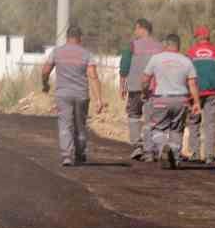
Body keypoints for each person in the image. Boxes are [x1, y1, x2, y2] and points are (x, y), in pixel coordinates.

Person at [40, 25, 105, 166]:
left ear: (67, 37)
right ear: (80, 38)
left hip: (62, 95)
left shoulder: (57, 52)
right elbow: (93, 77)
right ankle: (80, 154)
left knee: (65, 125)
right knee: (80, 125)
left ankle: (67, 156)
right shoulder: (86, 54)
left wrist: (45, 84)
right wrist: (99, 100)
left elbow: (45, 71)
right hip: (81, 95)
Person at [143, 34, 202, 170]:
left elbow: (145, 79)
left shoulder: (156, 59)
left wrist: (145, 92)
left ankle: (163, 146)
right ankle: (175, 157)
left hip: (160, 99)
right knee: (177, 129)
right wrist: (197, 103)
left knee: (157, 128)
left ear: (165, 44)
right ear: (178, 45)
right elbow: (192, 84)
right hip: (181, 100)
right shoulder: (186, 61)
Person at [182, 26, 215, 164]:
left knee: (193, 122)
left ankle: (194, 154)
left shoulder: (190, 53)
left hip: (194, 94)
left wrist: (186, 92)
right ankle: (210, 156)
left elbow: (184, 74)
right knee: (210, 124)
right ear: (208, 37)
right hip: (213, 93)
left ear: (198, 37)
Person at [118, 19, 162, 161]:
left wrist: (122, 86)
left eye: (136, 29)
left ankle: (137, 145)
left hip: (135, 87)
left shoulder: (132, 45)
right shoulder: (160, 46)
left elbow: (124, 66)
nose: (135, 32)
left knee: (133, 114)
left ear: (142, 29)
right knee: (151, 119)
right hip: (154, 88)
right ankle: (151, 150)